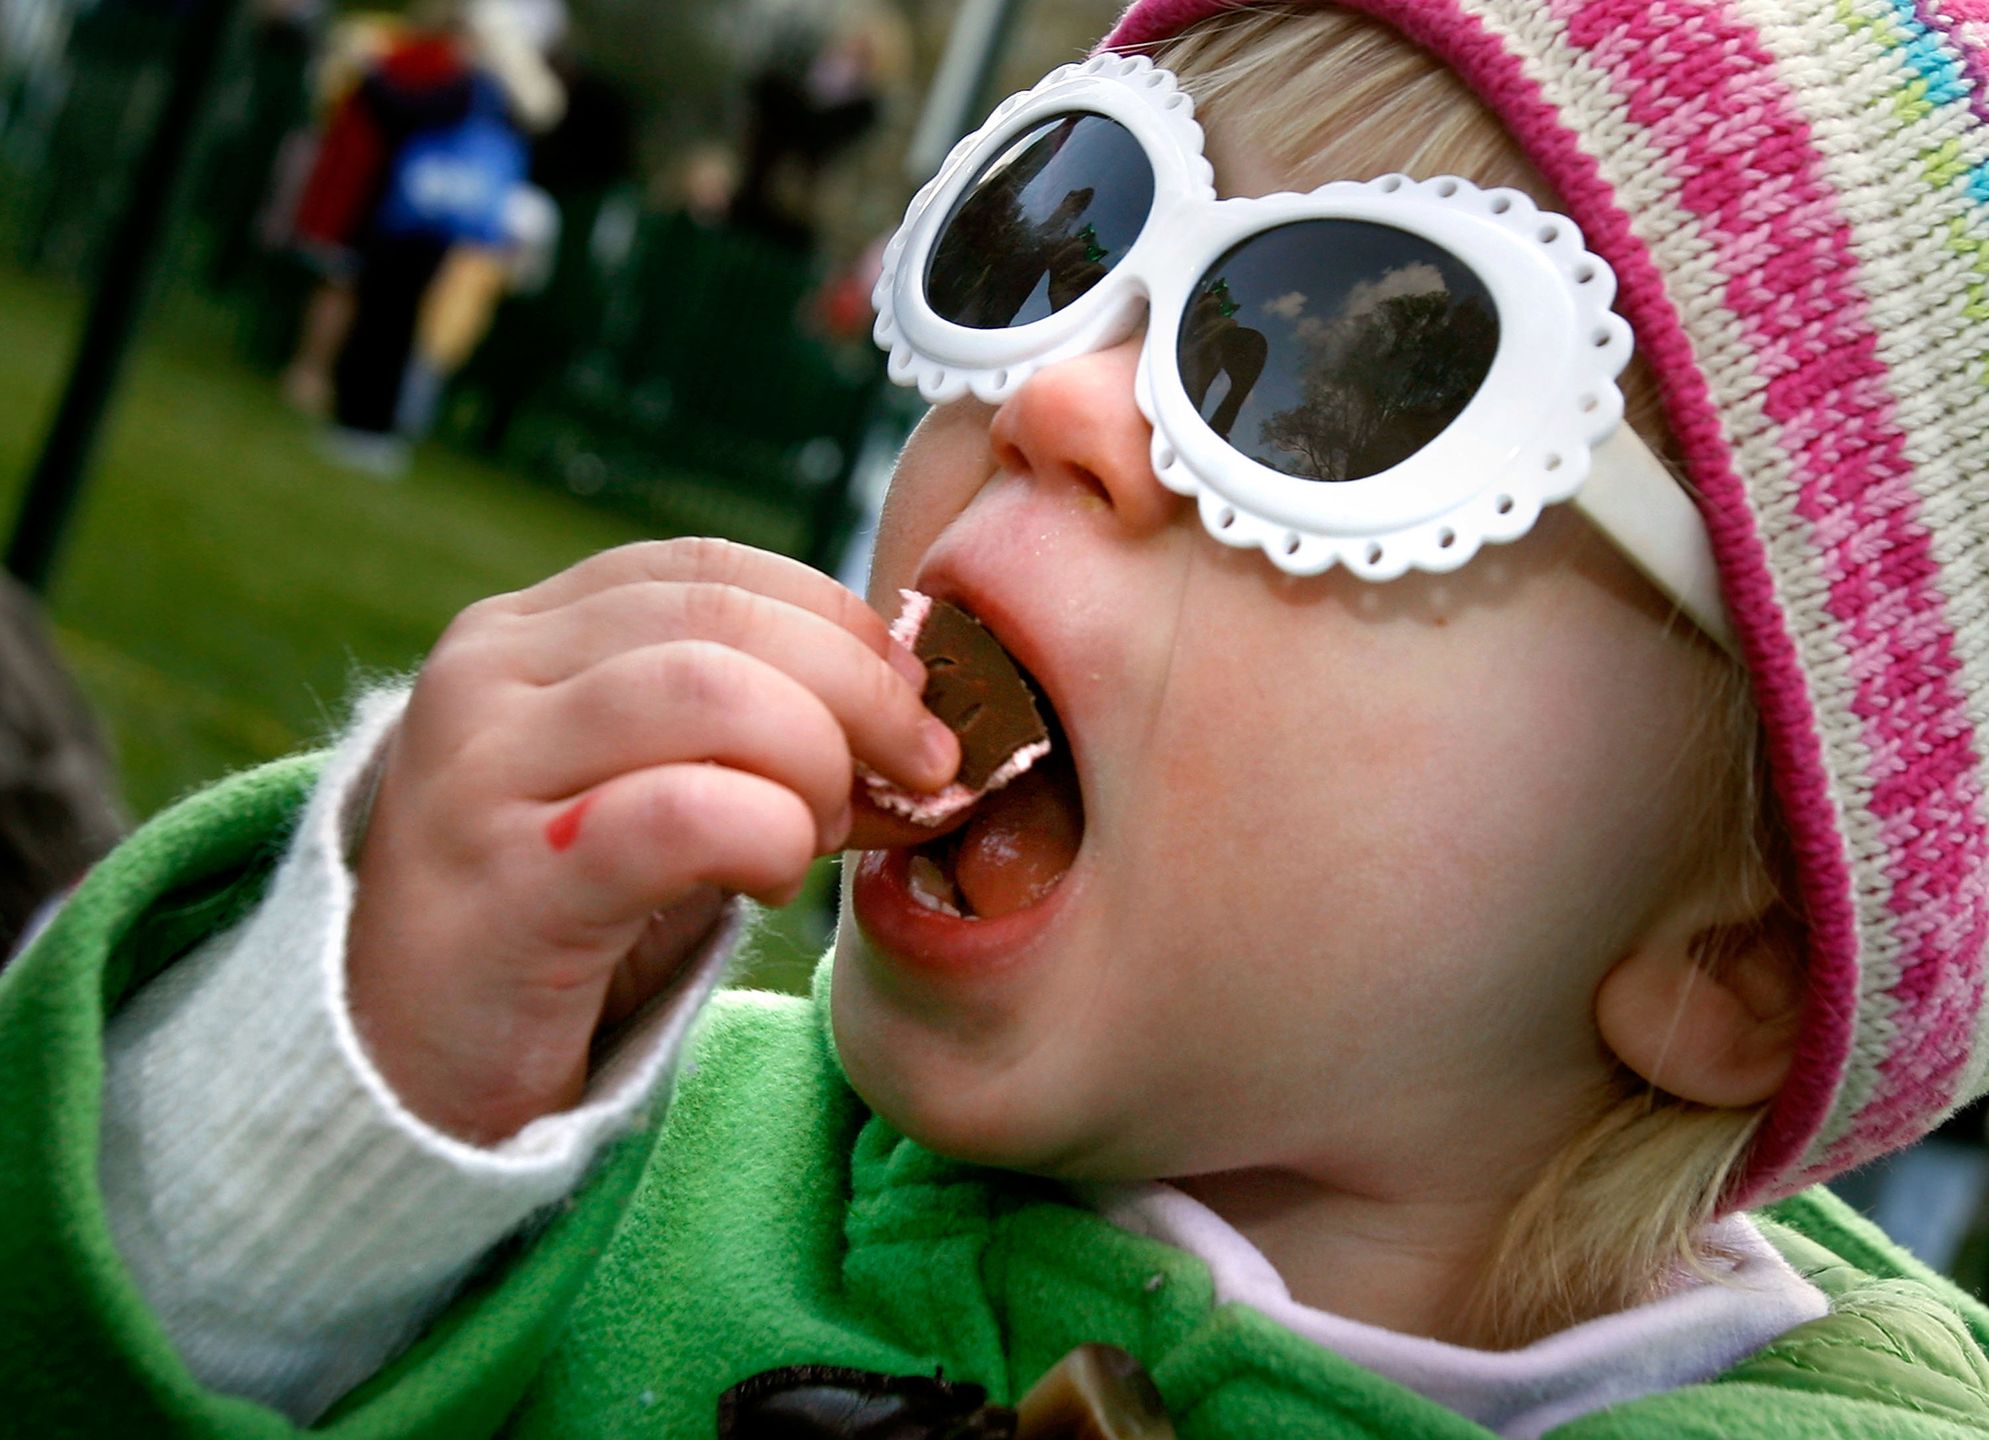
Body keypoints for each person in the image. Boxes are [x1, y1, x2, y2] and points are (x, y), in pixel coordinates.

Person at [5, 2, 1989, 1435]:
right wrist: (334, 1125)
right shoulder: (594, 1196)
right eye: (1065, 230)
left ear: (1726, 952)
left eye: (1336, 377)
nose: (1056, 399)